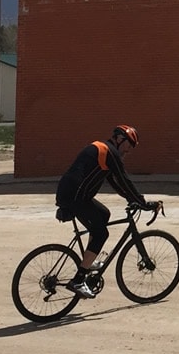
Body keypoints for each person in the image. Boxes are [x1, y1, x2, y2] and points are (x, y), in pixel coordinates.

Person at [55, 124, 158, 298]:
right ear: (120, 139)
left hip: (72, 193)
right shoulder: (110, 152)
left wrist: (132, 199)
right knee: (101, 234)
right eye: (129, 145)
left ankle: (89, 260)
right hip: (75, 196)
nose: (129, 150)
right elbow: (124, 180)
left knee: (103, 215)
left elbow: (115, 182)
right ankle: (78, 281)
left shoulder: (103, 149)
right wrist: (143, 203)